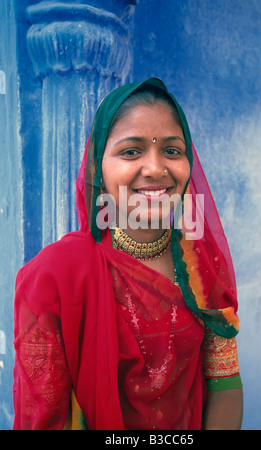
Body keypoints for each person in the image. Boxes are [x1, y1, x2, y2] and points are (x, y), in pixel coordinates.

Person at [12, 78, 243, 430]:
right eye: (131, 151)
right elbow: (45, 416)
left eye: (172, 150)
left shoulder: (202, 266)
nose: (155, 168)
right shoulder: (53, 276)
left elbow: (225, 386)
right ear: (98, 170)